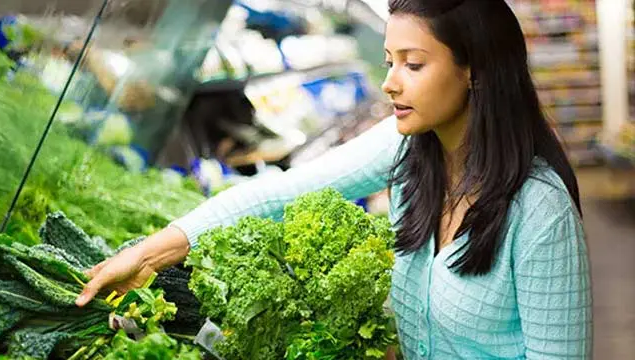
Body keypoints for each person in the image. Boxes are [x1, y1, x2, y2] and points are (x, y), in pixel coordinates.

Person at [75, 0, 593, 358]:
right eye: (390, 62)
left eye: (413, 65)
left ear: (475, 70)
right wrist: (146, 254)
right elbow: (279, 193)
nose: (390, 83)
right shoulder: (410, 148)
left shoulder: (539, 212)